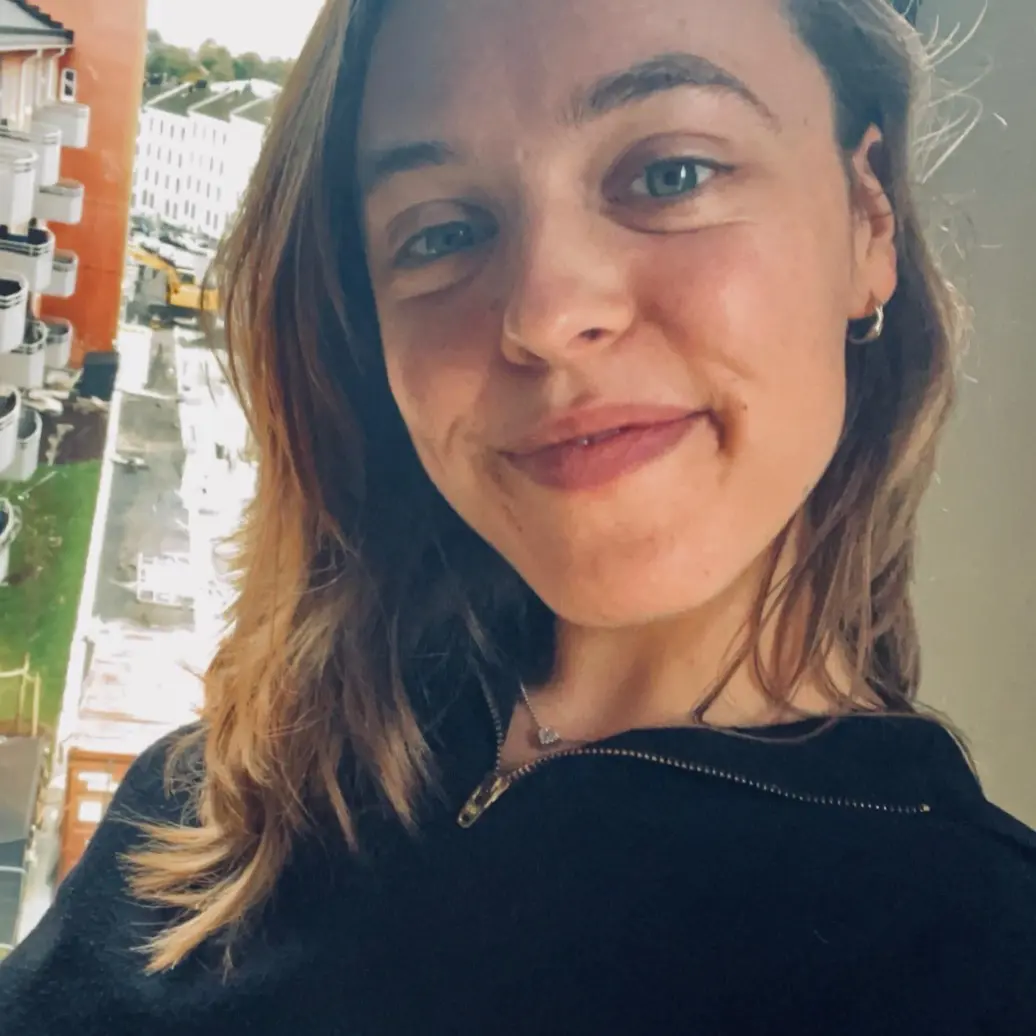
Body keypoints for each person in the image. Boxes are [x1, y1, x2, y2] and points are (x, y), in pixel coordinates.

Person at [2, 0, 1035, 1032]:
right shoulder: (227, 790)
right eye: (443, 233)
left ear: (866, 221)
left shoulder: (984, 963)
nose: (542, 315)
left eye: (672, 174)